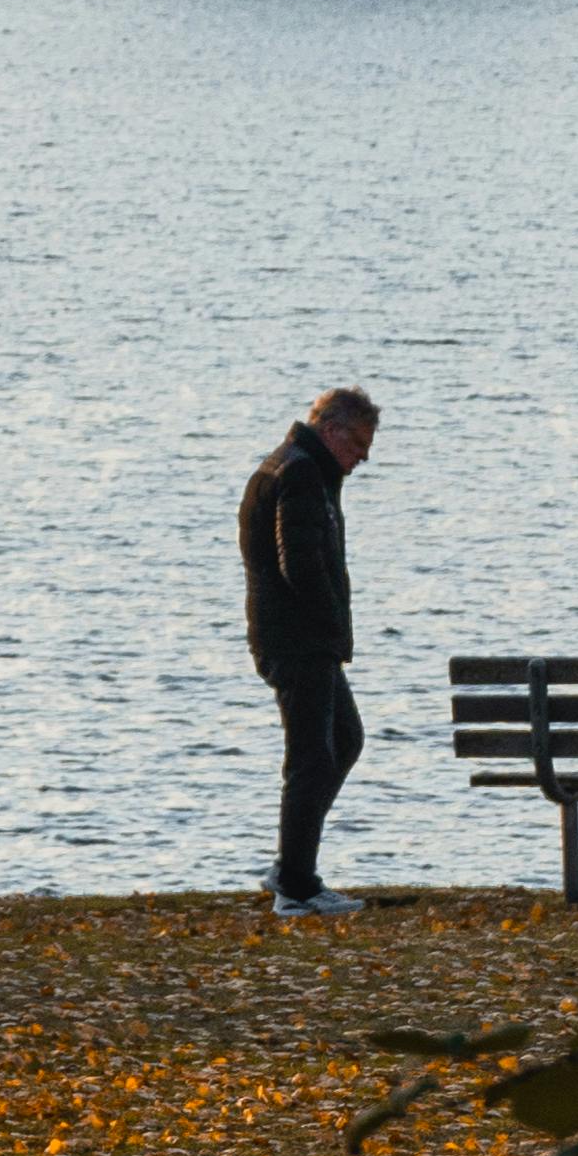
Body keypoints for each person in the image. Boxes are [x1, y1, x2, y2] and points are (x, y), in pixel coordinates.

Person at [239, 387, 380, 917]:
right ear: (331, 432)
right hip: (298, 640)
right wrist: (328, 622)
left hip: (302, 637)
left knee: (343, 739)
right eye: (360, 442)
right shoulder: (298, 474)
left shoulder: (298, 468)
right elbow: (298, 564)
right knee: (312, 757)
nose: (363, 456)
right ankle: (295, 885)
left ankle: (292, 866)